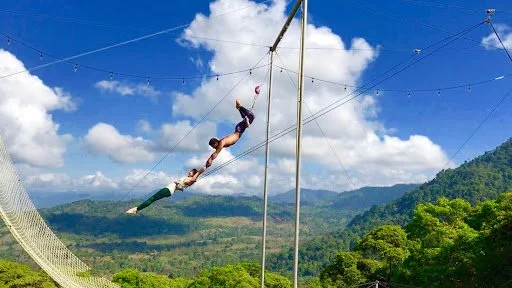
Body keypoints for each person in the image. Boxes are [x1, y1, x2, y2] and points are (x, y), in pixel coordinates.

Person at [125, 167, 206, 214]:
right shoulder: (188, 179)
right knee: (152, 199)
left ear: (193, 174)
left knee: (152, 199)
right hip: (169, 191)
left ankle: (136, 209)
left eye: (191, 172)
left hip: (168, 190)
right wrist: (179, 187)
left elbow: (191, 180)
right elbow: (184, 185)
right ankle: (136, 209)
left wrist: (199, 172)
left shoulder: (189, 179)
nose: (189, 172)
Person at [206, 99, 255, 168]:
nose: (213, 148)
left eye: (212, 146)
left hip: (239, 130)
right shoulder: (221, 143)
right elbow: (216, 152)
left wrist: (210, 159)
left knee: (251, 116)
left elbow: (216, 153)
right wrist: (210, 159)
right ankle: (240, 109)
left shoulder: (221, 143)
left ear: (215, 143)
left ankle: (240, 107)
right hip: (239, 129)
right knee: (247, 118)